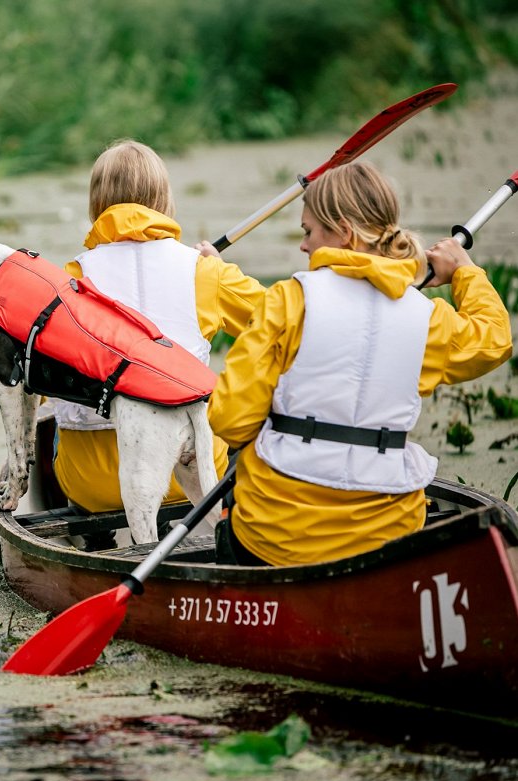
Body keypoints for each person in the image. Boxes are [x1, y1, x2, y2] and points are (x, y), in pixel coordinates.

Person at [207, 161, 513, 567]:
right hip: (389, 535)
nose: (303, 245)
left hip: (277, 536)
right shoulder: (426, 318)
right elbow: (494, 340)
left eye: (308, 231)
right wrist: (465, 272)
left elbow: (230, 420)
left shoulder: (286, 301)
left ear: (344, 233)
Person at [51, 139, 266, 513]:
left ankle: (90, 538)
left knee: (47, 411)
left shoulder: (70, 279)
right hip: (191, 477)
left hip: (94, 482)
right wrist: (219, 272)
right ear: (164, 199)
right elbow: (282, 323)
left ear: (96, 203)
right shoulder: (205, 271)